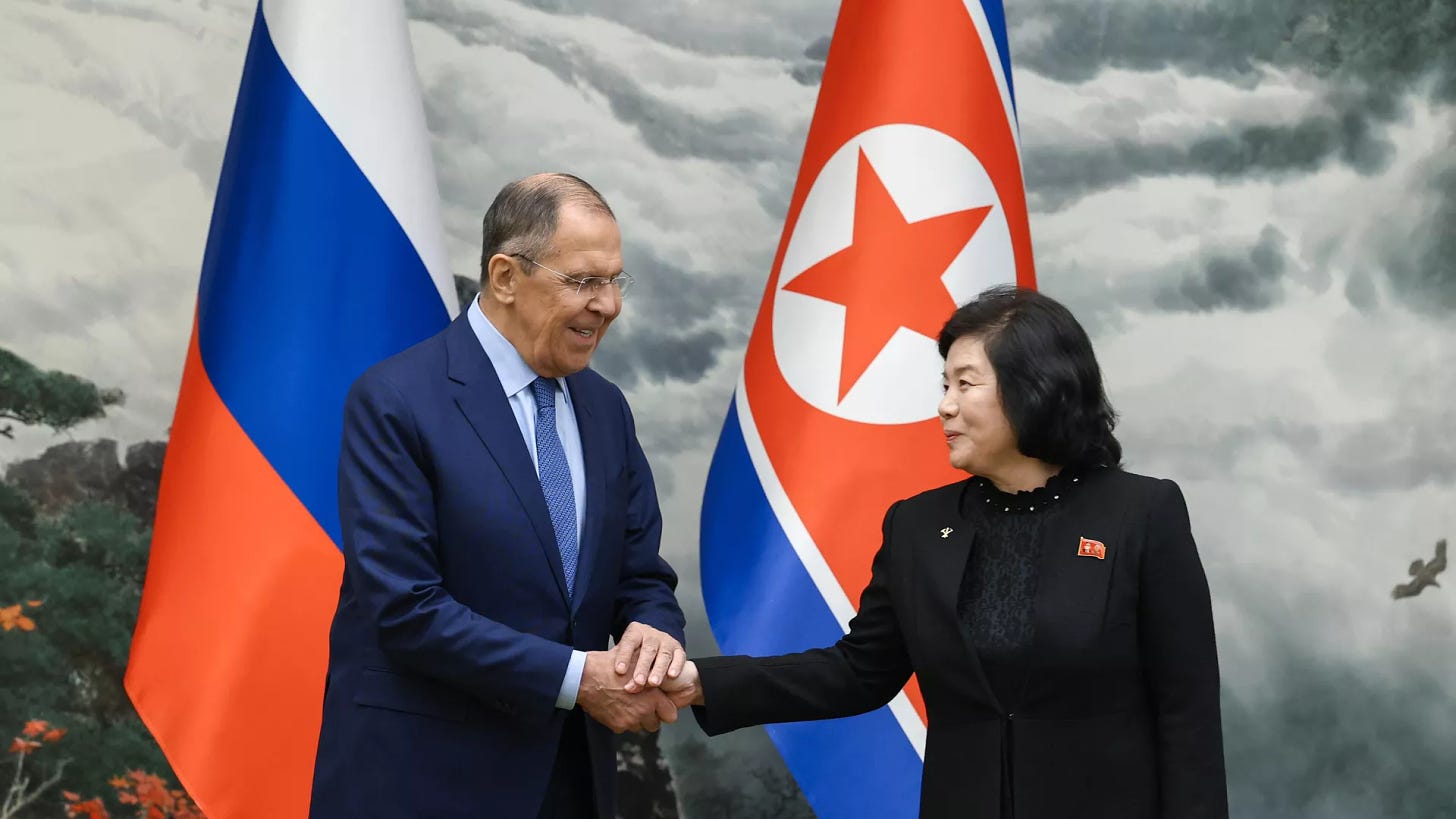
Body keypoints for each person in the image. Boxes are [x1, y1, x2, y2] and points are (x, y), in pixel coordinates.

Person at [658, 286, 1227, 818]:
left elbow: (1189, 714)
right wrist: (702, 683)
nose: (944, 406)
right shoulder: (918, 527)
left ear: (1035, 386)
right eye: (944, 384)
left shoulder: (1143, 514)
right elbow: (858, 671)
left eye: (965, 383)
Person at [310, 173, 688, 819]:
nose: (608, 305)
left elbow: (640, 572)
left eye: (614, 281)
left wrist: (653, 634)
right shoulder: (396, 400)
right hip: (423, 781)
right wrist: (579, 679)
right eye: (583, 281)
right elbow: (405, 607)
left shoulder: (605, 407)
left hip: (571, 780)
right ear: (506, 276)